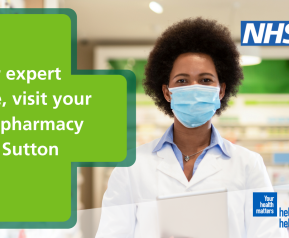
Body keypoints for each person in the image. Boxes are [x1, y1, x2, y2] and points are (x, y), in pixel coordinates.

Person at [95, 18, 287, 238]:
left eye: (205, 80)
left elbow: (268, 233)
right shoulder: (131, 166)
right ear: (167, 92)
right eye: (182, 81)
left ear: (221, 90)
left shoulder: (250, 165)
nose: (194, 89)